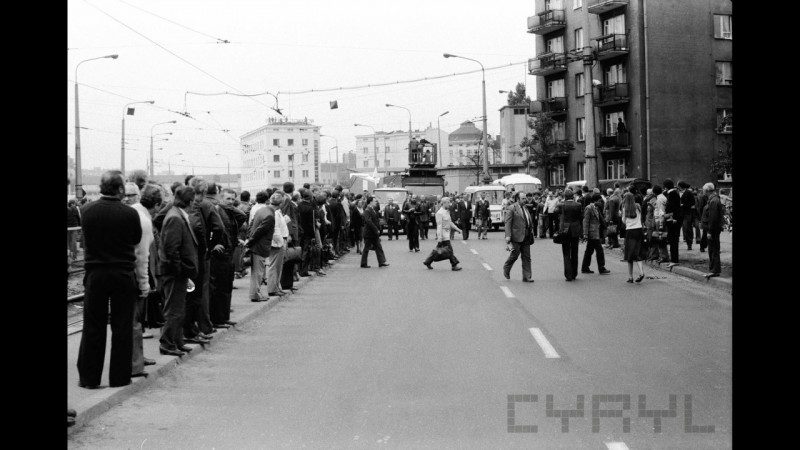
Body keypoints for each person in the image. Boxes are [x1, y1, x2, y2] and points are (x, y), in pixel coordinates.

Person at [77, 170, 143, 389]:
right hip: (123, 274)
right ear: (121, 189)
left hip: (95, 274)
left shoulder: (86, 211)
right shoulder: (130, 213)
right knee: (122, 325)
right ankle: (119, 377)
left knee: (93, 326)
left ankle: (89, 378)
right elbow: (135, 239)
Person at [157, 185, 198, 357]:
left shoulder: (178, 214)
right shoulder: (175, 217)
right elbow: (171, 248)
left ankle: (177, 341)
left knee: (179, 308)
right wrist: (179, 269)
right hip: (174, 273)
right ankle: (167, 343)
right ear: (189, 201)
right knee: (173, 309)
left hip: (179, 271)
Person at [127, 182, 157, 379]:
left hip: (137, 273)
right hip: (135, 275)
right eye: (125, 194)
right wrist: (145, 282)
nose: (127, 198)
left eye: (131, 194)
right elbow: (141, 254)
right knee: (135, 322)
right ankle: (135, 362)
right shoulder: (141, 218)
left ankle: (139, 356)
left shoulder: (139, 214)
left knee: (138, 321)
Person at [210, 188, 247, 328]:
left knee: (226, 287)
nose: (231, 202)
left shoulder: (230, 212)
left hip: (229, 253)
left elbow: (242, 216)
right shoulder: (217, 211)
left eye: (233, 199)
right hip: (219, 255)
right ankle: (217, 319)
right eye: (228, 199)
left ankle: (224, 317)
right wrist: (213, 244)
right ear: (220, 198)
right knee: (218, 288)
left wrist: (231, 207)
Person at [245, 191, 275, 302]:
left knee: (257, 272)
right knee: (258, 273)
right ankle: (255, 294)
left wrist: (248, 238)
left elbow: (251, 224)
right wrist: (250, 242)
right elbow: (260, 231)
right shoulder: (270, 215)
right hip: (260, 246)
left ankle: (256, 293)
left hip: (256, 245)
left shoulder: (260, 210)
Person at [503, 191, 535, 282]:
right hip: (516, 236)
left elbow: (527, 220)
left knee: (527, 257)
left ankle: (527, 276)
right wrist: (508, 236)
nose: (525, 200)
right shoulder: (512, 208)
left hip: (527, 236)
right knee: (515, 255)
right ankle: (506, 267)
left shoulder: (525, 208)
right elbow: (507, 223)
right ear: (518, 199)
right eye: (523, 198)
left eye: (525, 198)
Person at [423, 196, 462, 271]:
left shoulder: (447, 211)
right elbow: (439, 226)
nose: (449, 204)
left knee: (438, 250)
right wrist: (439, 237)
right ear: (443, 203)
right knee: (449, 250)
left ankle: (428, 261)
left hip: (447, 233)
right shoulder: (439, 213)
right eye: (448, 202)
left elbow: (450, 222)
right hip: (443, 234)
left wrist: (457, 229)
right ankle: (454, 265)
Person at [554, 189, 582, 282]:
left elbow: (555, 212)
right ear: (572, 196)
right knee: (575, 252)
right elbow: (580, 217)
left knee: (566, 252)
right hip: (575, 229)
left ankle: (568, 275)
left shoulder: (561, 205)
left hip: (565, 230)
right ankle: (574, 273)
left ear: (565, 196)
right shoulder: (578, 205)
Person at [581, 193, 611, 275]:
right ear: (595, 200)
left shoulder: (595, 207)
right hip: (592, 233)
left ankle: (585, 267)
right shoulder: (589, 208)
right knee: (599, 250)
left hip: (594, 232)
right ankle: (601, 267)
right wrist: (585, 234)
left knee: (589, 251)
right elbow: (585, 221)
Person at [266, 192, 288, 296]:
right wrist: (281, 243)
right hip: (277, 243)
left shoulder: (277, 212)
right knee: (274, 266)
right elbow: (275, 229)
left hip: (279, 241)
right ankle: (272, 288)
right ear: (281, 203)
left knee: (278, 267)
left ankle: (276, 287)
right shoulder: (274, 213)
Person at [701, 183, 725, 278]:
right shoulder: (712, 200)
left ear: (707, 191)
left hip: (713, 230)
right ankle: (713, 269)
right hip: (712, 229)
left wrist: (710, 231)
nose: (702, 192)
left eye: (703, 190)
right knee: (712, 250)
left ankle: (714, 270)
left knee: (713, 250)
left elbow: (713, 218)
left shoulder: (713, 201)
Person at [621, 191, 646, 283]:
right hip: (639, 230)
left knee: (629, 254)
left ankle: (630, 277)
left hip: (630, 231)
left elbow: (623, 221)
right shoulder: (638, 206)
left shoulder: (625, 208)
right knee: (638, 252)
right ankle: (641, 272)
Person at [361, 197, 389, 268]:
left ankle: (381, 262)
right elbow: (368, 221)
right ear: (370, 202)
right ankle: (363, 263)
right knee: (366, 248)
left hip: (374, 233)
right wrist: (376, 229)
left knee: (378, 247)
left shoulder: (373, 209)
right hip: (369, 233)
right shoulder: (367, 210)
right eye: (374, 201)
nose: (376, 202)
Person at [663, 178, 682, 268]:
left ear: (666, 187)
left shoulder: (672, 194)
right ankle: (673, 259)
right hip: (673, 220)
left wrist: (667, 216)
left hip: (673, 221)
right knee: (672, 240)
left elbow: (673, 209)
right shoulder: (673, 193)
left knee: (673, 241)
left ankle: (674, 260)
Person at [678, 181, 696, 250]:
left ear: (680, 186)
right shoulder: (678, 193)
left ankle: (689, 243)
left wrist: (684, 205)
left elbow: (692, 202)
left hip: (687, 212)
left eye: (678, 186)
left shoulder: (689, 193)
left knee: (688, 228)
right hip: (680, 213)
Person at [695, 186, 708, 252]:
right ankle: (702, 246)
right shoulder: (703, 197)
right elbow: (700, 208)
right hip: (705, 217)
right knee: (705, 232)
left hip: (709, 216)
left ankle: (707, 246)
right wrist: (701, 217)